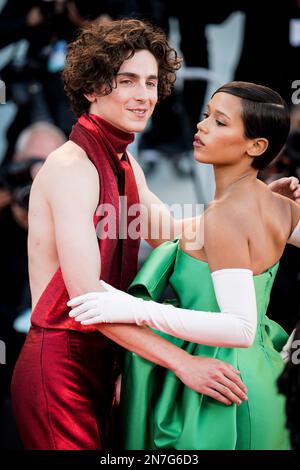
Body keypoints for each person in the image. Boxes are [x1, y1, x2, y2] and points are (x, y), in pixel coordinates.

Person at [10, 19, 252, 451]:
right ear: (92, 88)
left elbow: (178, 237)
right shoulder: (70, 166)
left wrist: (258, 204)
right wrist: (184, 363)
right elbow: (88, 303)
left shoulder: (124, 162)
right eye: (128, 81)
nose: (144, 96)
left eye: (152, 82)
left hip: (106, 363)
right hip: (59, 370)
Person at [68, 81, 300, 450]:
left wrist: (135, 309)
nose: (202, 126)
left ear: (255, 146)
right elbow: (177, 233)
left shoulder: (226, 217)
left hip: (220, 386)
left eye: (220, 122)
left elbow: (240, 328)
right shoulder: (278, 206)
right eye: (207, 115)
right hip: (259, 378)